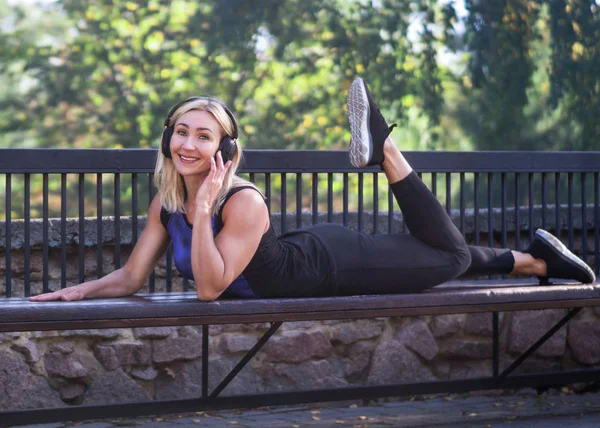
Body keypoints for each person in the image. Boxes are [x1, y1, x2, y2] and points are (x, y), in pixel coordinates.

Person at [30, 78, 596, 303]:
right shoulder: (166, 201)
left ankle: (387, 153)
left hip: (332, 266)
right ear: (167, 138)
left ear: (225, 151)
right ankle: (543, 264)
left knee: (445, 257)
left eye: (204, 136)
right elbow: (131, 277)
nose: (188, 145)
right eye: (181, 132)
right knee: (437, 257)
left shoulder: (241, 201)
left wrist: (205, 212)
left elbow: (208, 288)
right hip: (312, 249)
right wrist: (77, 291)